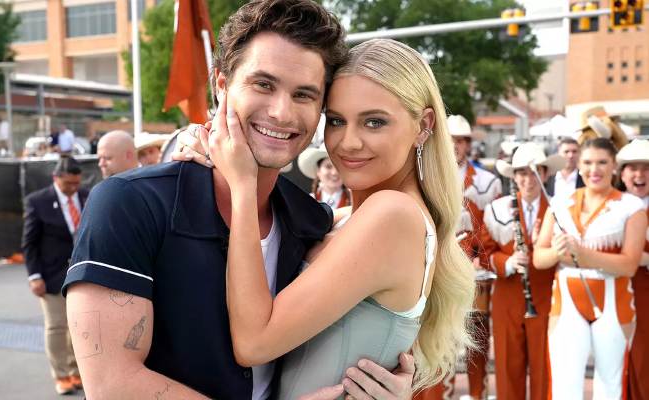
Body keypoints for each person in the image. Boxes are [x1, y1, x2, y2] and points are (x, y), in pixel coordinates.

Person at [62, 1, 416, 398]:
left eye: (303, 95)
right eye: (263, 84)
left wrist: (391, 384)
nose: (281, 112)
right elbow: (111, 384)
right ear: (221, 86)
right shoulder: (128, 204)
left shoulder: (313, 222)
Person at [203, 37, 474, 398]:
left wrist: (241, 185)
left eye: (374, 122)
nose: (348, 142)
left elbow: (254, 343)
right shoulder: (343, 218)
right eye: (336, 121)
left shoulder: (393, 215)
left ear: (423, 125)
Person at [533, 138, 647, 400]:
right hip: (566, 301)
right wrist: (557, 252)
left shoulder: (631, 207)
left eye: (602, 162)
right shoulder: (560, 203)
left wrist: (583, 255)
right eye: (587, 162)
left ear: (614, 166)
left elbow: (629, 265)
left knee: (610, 385)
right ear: (578, 165)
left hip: (615, 301)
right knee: (564, 385)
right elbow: (539, 258)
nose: (594, 170)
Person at [416, 115, 500, 400]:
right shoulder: (423, 175)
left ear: (468, 144)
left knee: (477, 337)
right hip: (435, 270)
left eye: (462, 140)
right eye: (451, 139)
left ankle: (477, 394)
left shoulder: (487, 182)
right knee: (437, 338)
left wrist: (480, 260)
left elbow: (490, 230)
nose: (455, 145)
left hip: (473, 270)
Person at [480, 143, 564, 400]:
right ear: (514, 177)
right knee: (508, 367)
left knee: (544, 366)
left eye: (535, 172)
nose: (528, 180)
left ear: (545, 174)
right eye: (522, 173)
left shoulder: (559, 209)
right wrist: (508, 262)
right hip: (507, 297)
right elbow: (484, 254)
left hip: (546, 296)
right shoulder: (496, 209)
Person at [21, 156, 88, 395]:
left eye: (77, 183)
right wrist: (34, 276)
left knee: (79, 325)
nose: (73, 188)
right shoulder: (37, 202)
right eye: (68, 183)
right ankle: (61, 375)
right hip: (51, 275)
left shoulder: (87, 196)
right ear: (55, 178)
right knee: (57, 326)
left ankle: (77, 371)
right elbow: (29, 243)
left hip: (82, 274)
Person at [616, 139, 649, 400]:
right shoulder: (611, 205)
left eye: (646, 168)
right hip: (614, 293)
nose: (640, 175)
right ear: (622, 174)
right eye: (633, 168)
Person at [298, 144, 350, 209]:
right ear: (318, 171)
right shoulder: (307, 202)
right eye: (328, 167)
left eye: (338, 167)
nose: (334, 173)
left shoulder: (355, 202)